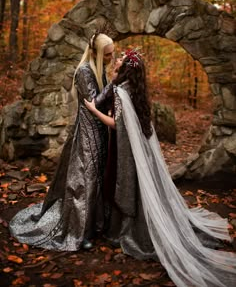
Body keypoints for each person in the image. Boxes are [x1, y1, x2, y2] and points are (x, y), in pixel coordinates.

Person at [84, 48, 236, 287]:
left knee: (131, 187)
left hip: (129, 152)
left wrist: (93, 110)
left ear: (126, 69)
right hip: (138, 149)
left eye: (121, 59)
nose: (117, 60)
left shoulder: (123, 91)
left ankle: (134, 230)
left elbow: (118, 125)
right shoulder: (135, 89)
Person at [9, 32, 115, 251]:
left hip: (100, 132)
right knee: (84, 182)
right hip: (87, 133)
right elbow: (93, 102)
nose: (111, 58)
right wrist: (116, 85)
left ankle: (94, 225)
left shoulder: (99, 69)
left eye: (112, 54)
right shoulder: (85, 71)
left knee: (97, 179)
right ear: (95, 53)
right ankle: (77, 232)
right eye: (107, 55)